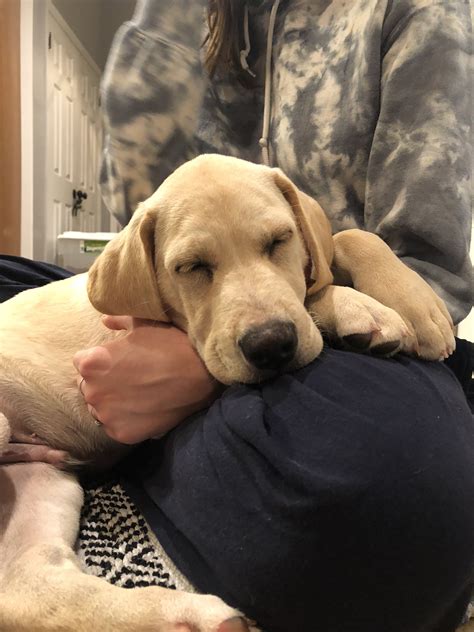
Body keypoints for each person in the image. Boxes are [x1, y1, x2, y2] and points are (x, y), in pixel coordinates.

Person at [2, 1, 473, 630]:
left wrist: (355, 256)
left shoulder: (408, 12)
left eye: (277, 243)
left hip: (327, 376)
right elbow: (131, 225)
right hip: (40, 378)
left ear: (300, 235)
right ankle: (44, 596)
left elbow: (417, 281)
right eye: (198, 267)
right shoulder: (176, 23)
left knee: (397, 485)